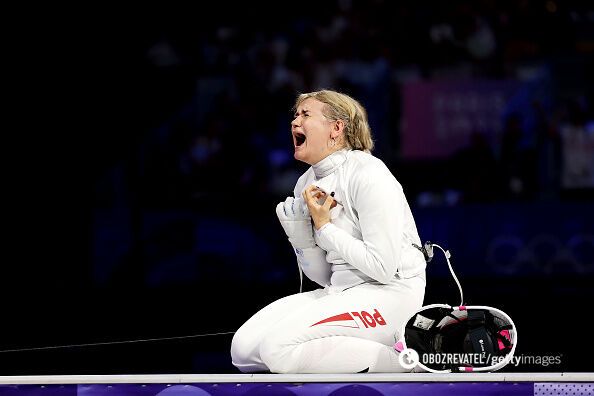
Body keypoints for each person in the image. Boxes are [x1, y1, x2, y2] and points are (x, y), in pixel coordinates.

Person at [230, 90, 427, 373]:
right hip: (341, 292)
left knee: (277, 349)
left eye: (306, 114)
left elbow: (383, 268)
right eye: (295, 115)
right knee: (244, 351)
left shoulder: (368, 174)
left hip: (392, 294)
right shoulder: (305, 184)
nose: (295, 122)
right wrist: (302, 242)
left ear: (336, 128)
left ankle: (409, 361)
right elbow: (325, 277)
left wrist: (324, 228)